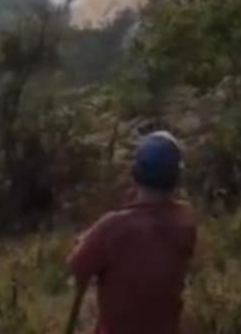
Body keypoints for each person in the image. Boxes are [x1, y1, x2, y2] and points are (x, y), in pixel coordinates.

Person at [66, 131, 198, 334]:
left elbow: (76, 267)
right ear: (176, 177)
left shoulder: (112, 228)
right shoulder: (185, 221)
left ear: (135, 173)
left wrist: (87, 240)